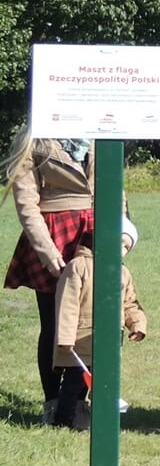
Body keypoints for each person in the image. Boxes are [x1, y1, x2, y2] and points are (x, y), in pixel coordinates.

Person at [4, 132, 104, 426]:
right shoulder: (34, 141)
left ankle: (77, 403)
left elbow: (116, 190)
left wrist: (121, 233)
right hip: (55, 236)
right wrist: (47, 251)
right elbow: (26, 203)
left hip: (94, 233)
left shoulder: (99, 134)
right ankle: (52, 401)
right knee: (53, 324)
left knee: (90, 321)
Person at [51, 220, 145, 430]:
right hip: (80, 340)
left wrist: (137, 324)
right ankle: (63, 419)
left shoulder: (123, 273)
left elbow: (130, 303)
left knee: (102, 382)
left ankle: (90, 418)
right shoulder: (79, 266)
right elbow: (67, 304)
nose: (121, 249)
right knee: (74, 382)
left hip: (108, 342)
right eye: (118, 242)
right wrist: (65, 337)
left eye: (126, 247)